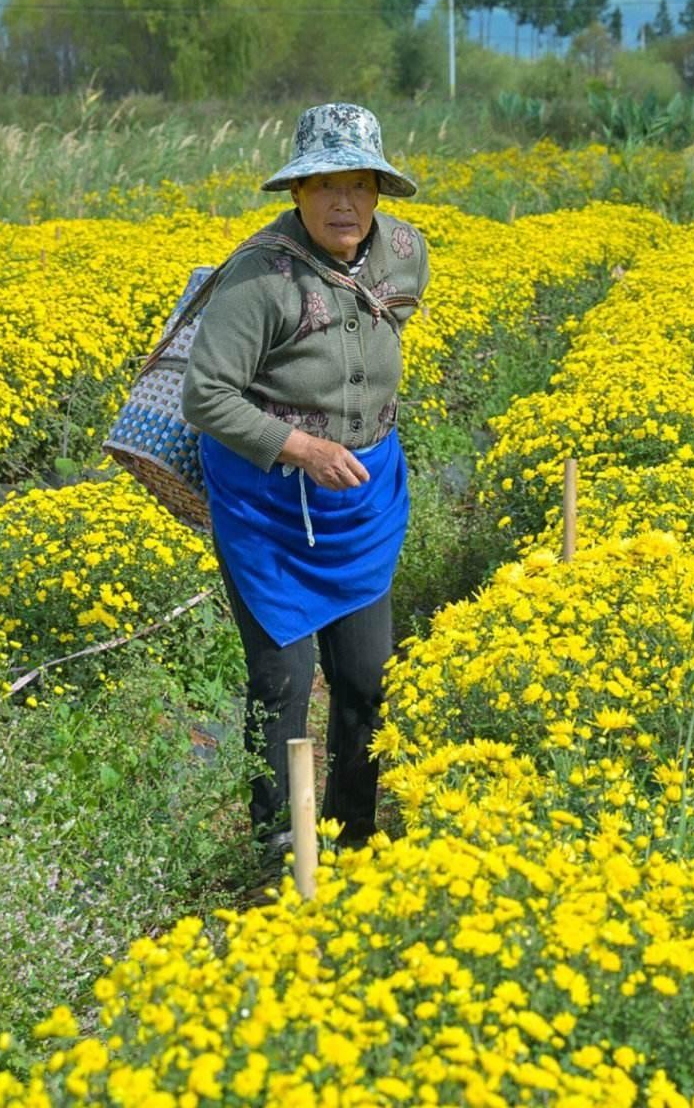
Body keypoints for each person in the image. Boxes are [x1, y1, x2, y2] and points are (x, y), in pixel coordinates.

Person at [181, 103, 429, 858]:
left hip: (362, 497)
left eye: (358, 183)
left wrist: (349, 431)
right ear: (296, 193)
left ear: (380, 190)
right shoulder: (260, 277)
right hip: (271, 508)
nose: (343, 202)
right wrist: (303, 446)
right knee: (282, 679)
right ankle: (277, 845)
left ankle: (352, 835)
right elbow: (205, 395)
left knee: (365, 679)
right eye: (325, 185)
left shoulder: (408, 253)